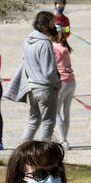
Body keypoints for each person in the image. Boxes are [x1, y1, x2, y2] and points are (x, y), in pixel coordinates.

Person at [20, 11, 60, 143]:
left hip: (32, 87)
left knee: (33, 121)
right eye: (52, 23)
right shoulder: (45, 43)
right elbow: (49, 71)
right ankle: (45, 154)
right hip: (45, 89)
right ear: (44, 26)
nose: (54, 26)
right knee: (48, 123)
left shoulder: (27, 41)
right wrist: (57, 84)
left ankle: (21, 151)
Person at [52, 27, 77, 149]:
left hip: (61, 82)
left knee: (56, 111)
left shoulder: (53, 48)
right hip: (71, 81)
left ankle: (63, 140)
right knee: (66, 111)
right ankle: (65, 139)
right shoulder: (64, 48)